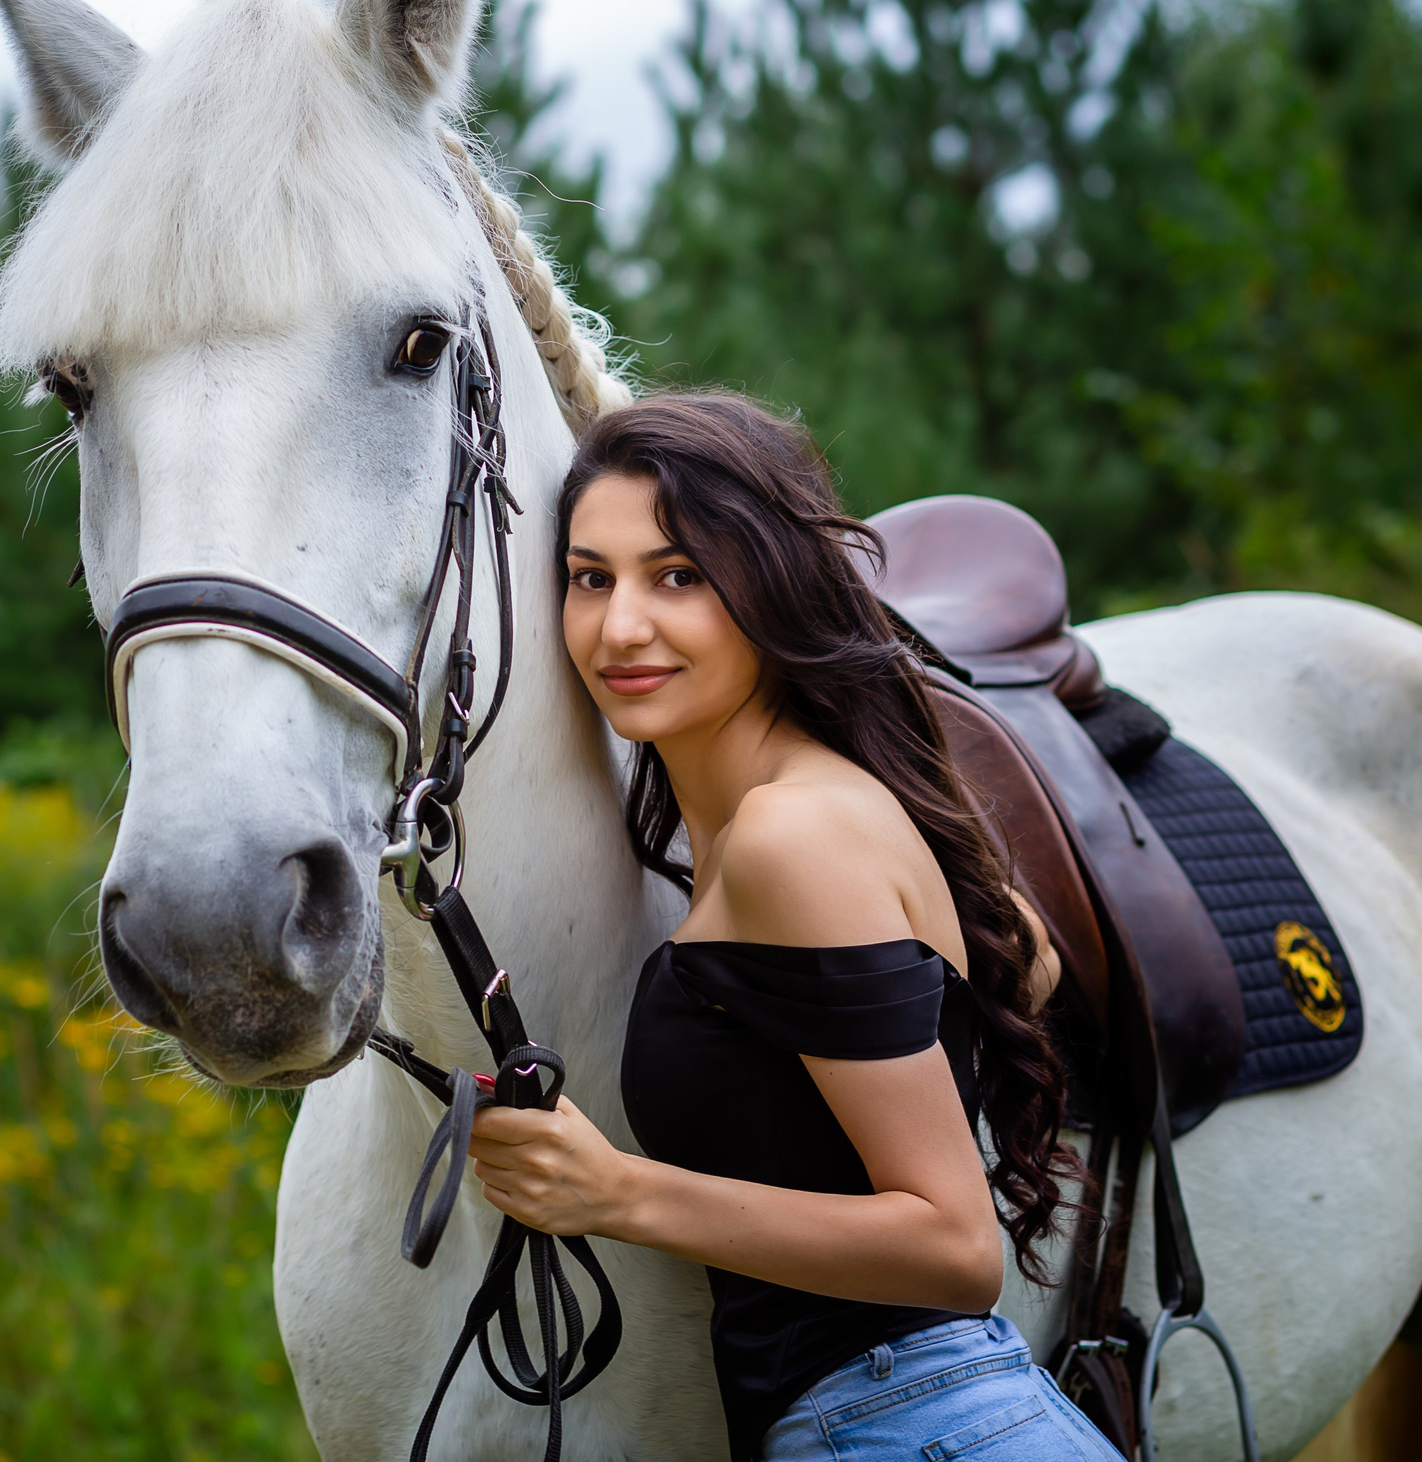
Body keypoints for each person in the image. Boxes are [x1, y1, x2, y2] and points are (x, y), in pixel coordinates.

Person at [467, 390, 1114, 1462]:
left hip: (912, 1425)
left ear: (770, 584)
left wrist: (616, 1191)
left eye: (679, 576)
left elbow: (955, 1248)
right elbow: (1018, 963)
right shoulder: (809, 806)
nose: (620, 626)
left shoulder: (789, 836)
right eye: (591, 578)